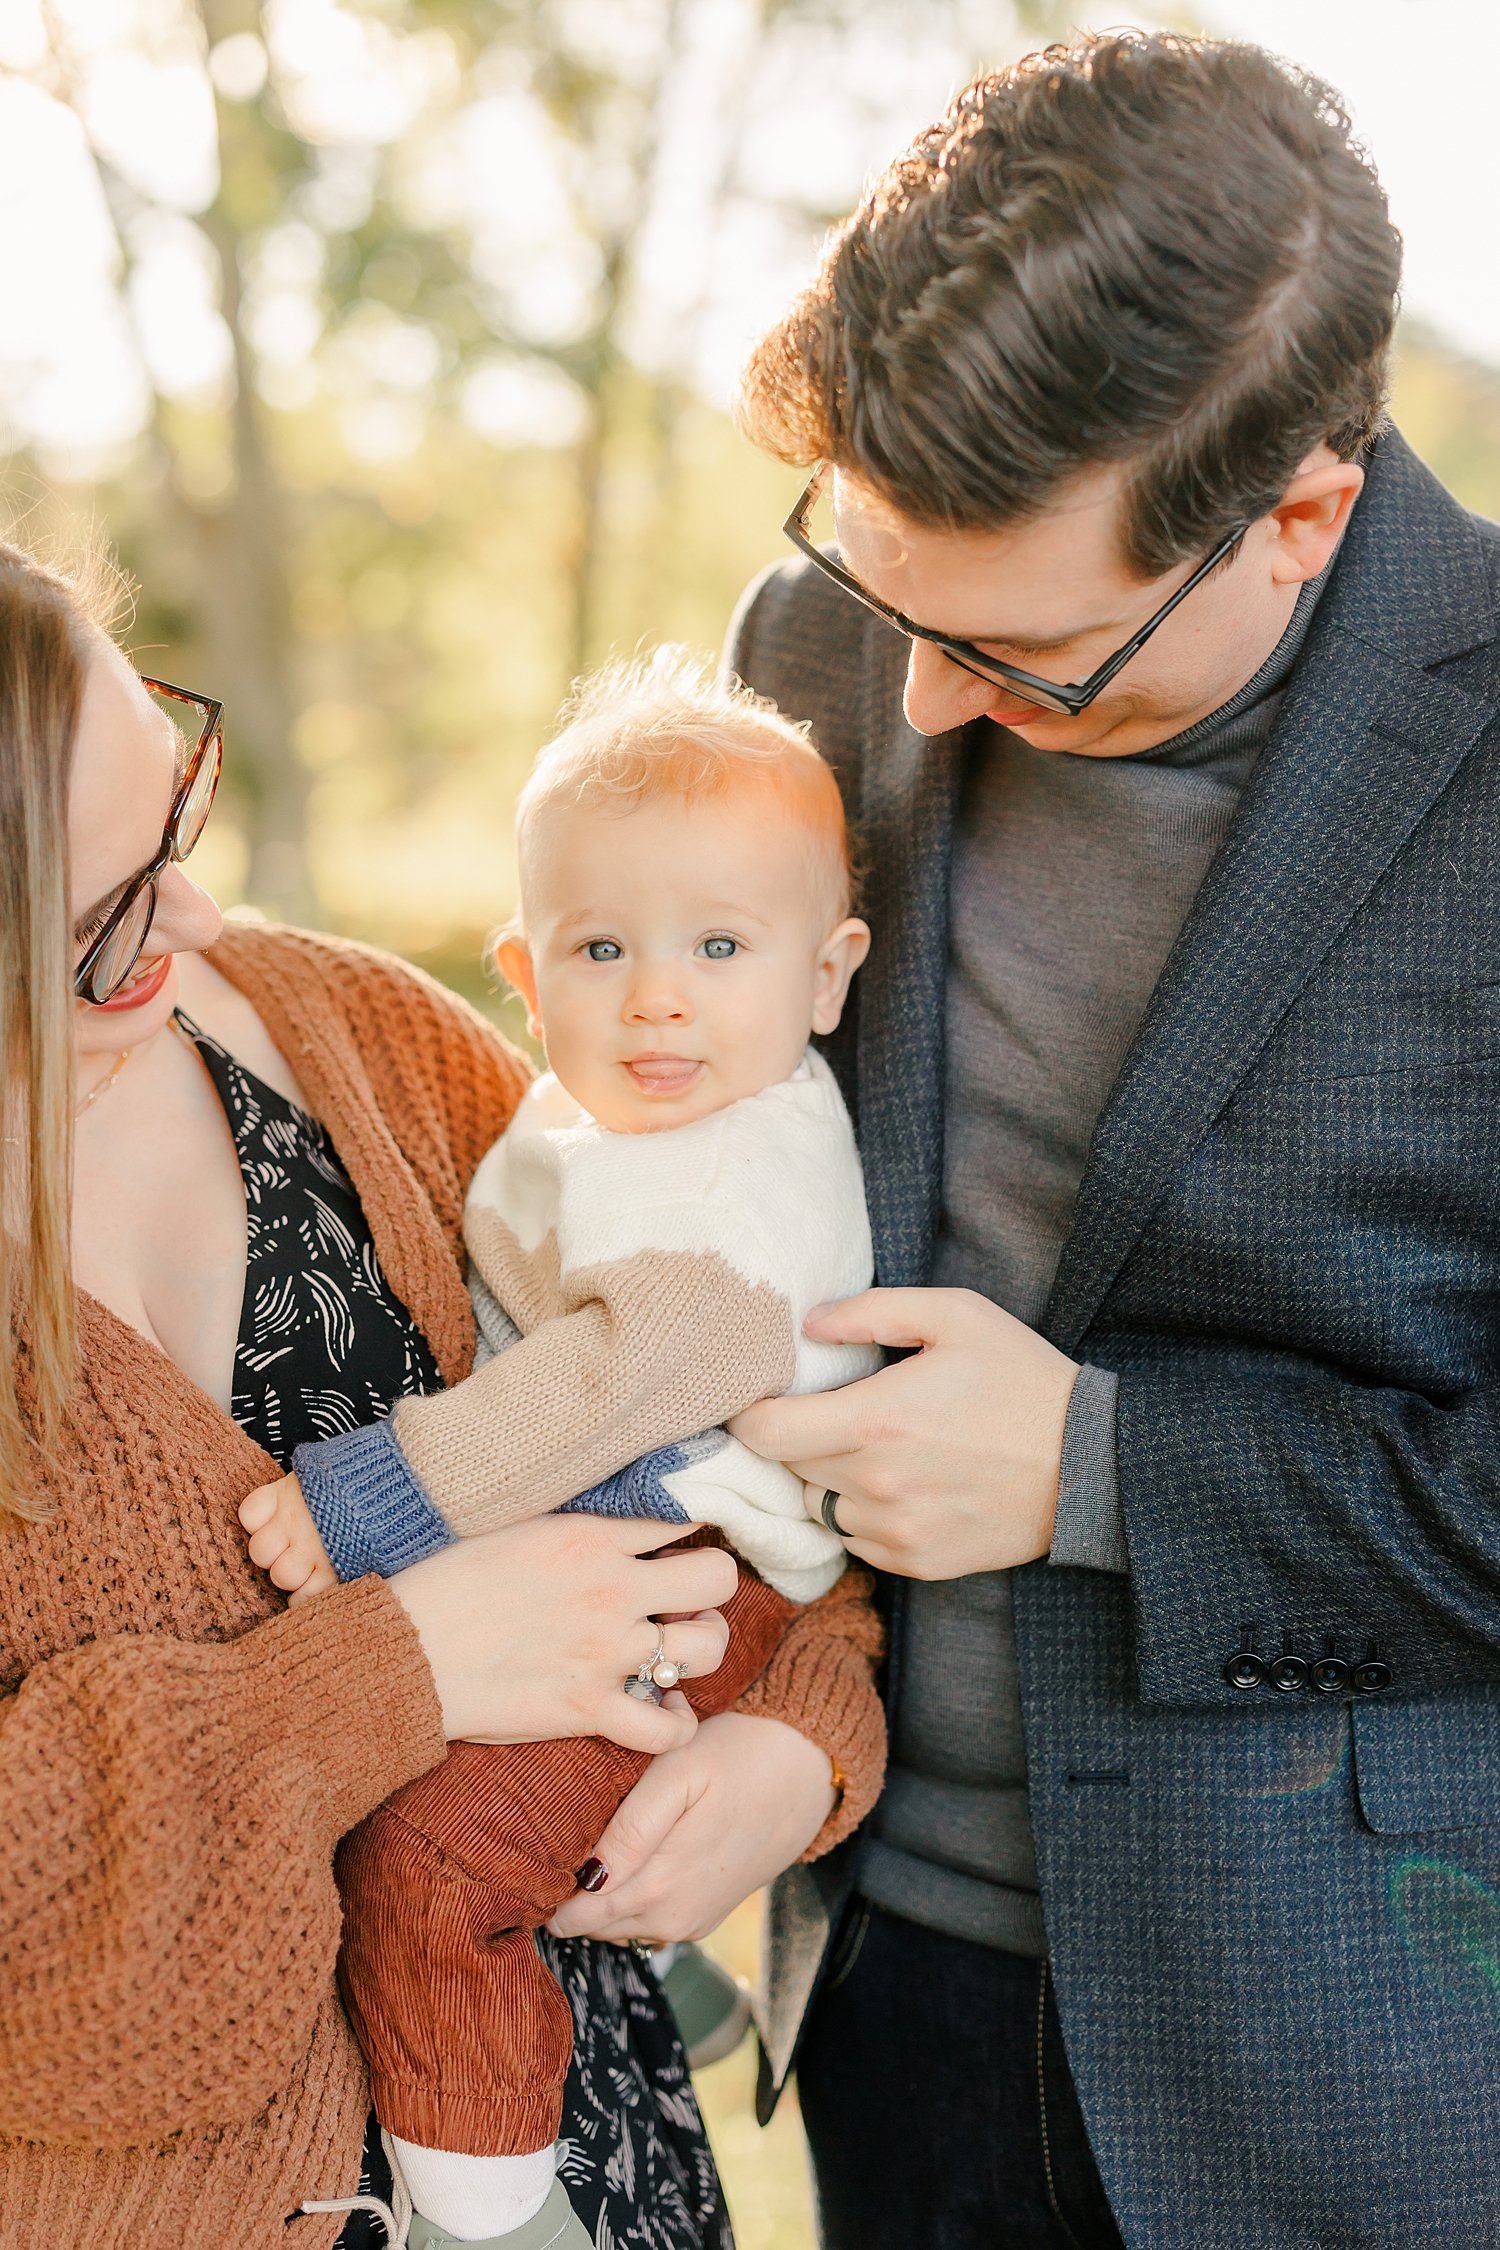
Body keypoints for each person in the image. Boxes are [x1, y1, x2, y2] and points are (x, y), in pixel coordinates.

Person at [554, 29, 1500, 2250]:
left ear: (1303, 509)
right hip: (891, 1982)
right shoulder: (819, 639)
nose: (918, 704)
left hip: (1385, 2040)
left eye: (1033, 657)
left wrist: (1105, 1472)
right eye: (889, 601)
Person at [0, 539, 844, 2250]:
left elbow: (734, 1420)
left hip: (600, 2157)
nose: (202, 918)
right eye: (99, 920)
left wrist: (795, 1743)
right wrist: (394, 1670)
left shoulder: (351, 1036)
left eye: (179, 811)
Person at [233, 650, 888, 2250]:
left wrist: (370, 1496)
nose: (658, 994)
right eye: (604, 948)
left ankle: (489, 2207)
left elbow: (611, 1376)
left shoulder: (736, 1179)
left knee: (433, 1862)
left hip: (695, 1571)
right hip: (641, 1551)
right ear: (527, 976)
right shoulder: (619, 1114)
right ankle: (668, 1968)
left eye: (719, 946)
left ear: (825, 971)